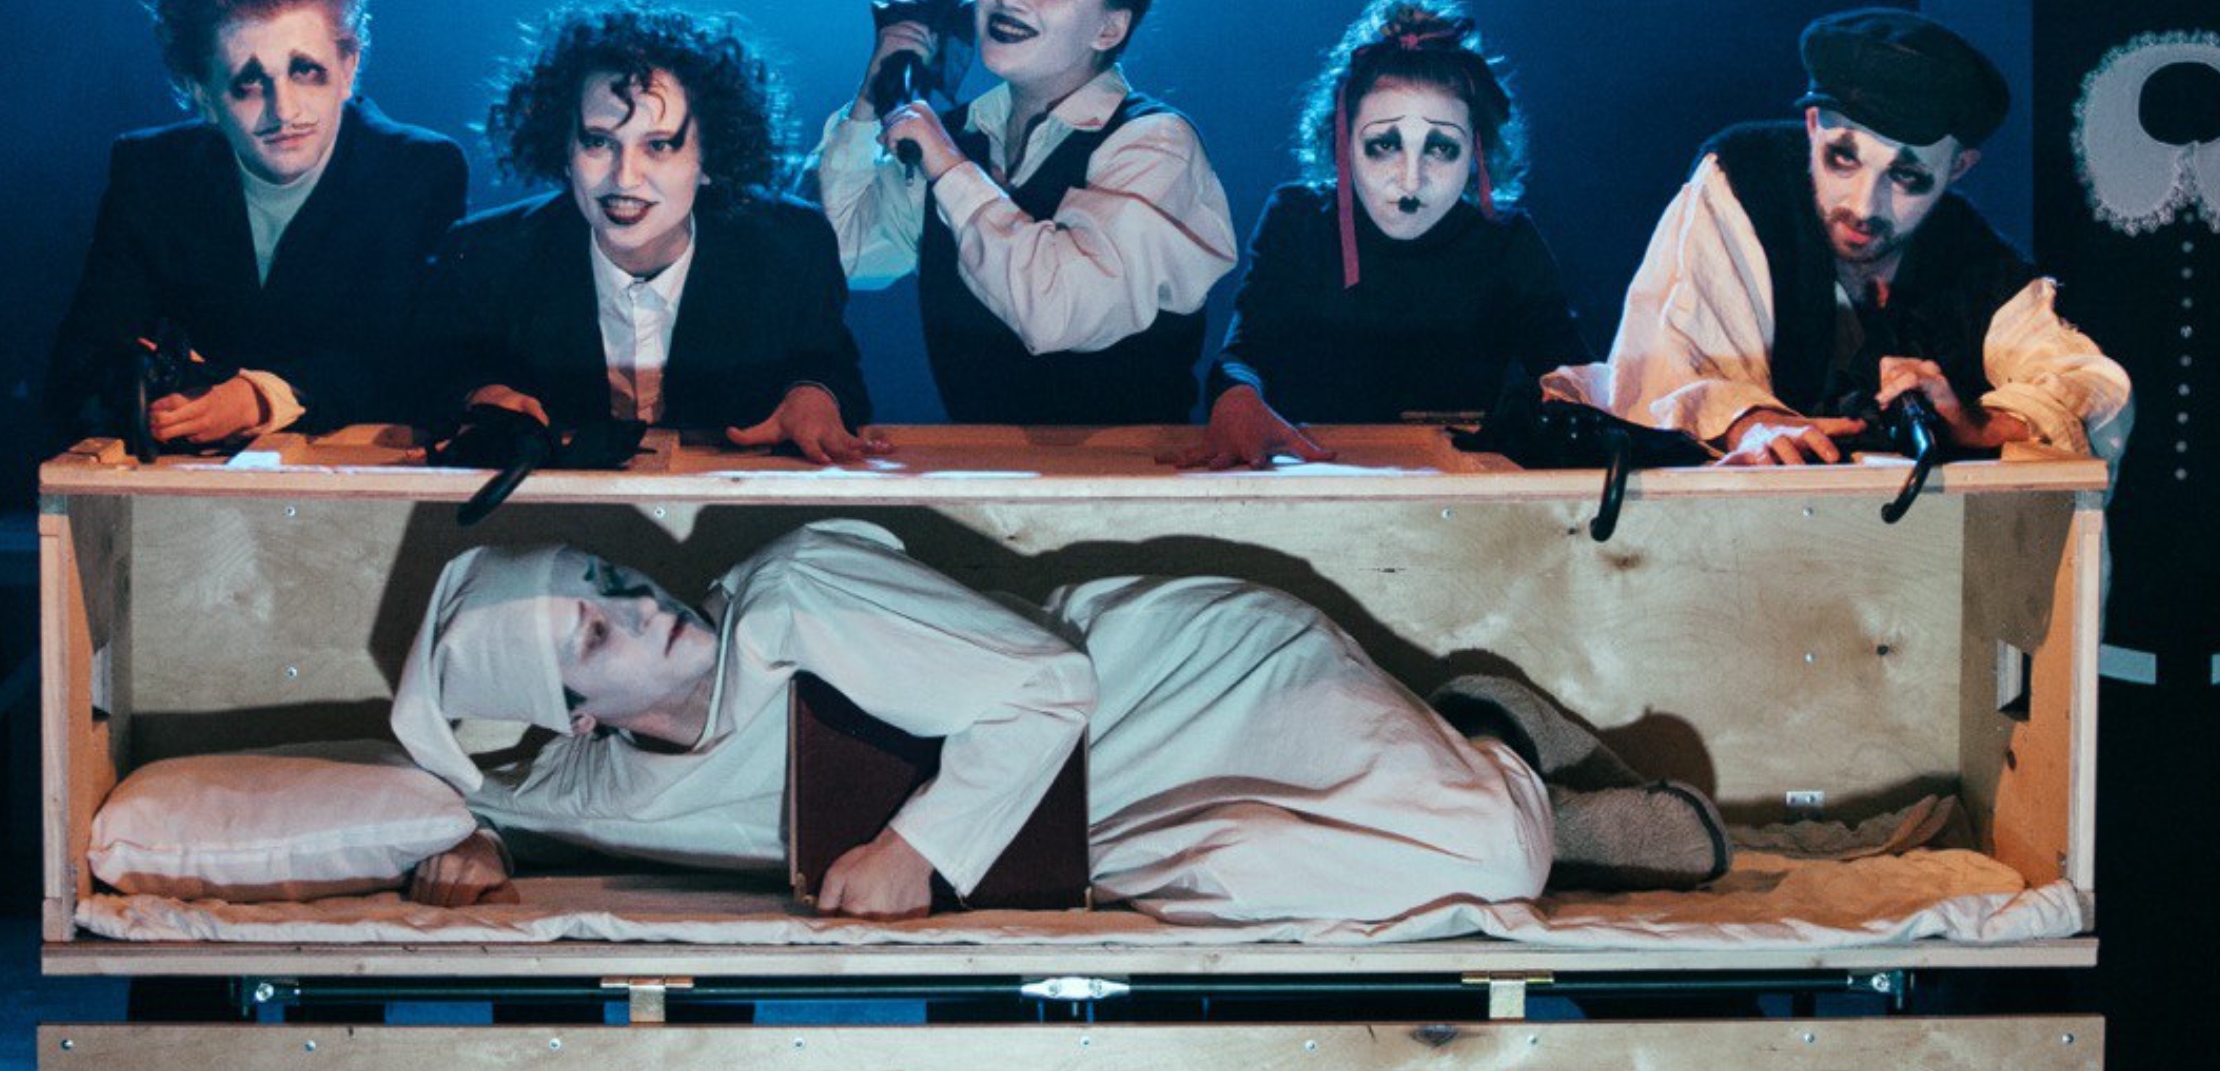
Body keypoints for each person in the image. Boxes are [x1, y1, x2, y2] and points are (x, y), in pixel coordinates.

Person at [390, 521, 1564, 923]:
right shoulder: (601, 781)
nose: (643, 606)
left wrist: (915, 848)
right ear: (579, 720)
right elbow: (491, 793)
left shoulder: (795, 595)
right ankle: (1470, 759)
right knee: (1240, 877)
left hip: (1196, 687)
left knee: (1500, 854)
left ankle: (1499, 737)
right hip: (1098, 828)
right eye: (596, 636)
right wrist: (483, 837)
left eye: (612, 580)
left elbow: (1048, 682)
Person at [811, 0, 1237, 424]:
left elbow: (1056, 311)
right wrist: (871, 100)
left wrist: (950, 170)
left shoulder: (1155, 145)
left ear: (1108, 28)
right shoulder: (958, 137)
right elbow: (844, 258)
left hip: (1128, 481)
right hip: (980, 474)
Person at [1545, 7, 2131, 464]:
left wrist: (1977, 424)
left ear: (1958, 168)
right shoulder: (1746, 181)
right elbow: (1666, 361)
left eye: (1906, 177)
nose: (1863, 206)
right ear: (1811, 126)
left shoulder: (1972, 255)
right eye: (1842, 159)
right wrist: (1750, 423)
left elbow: (2096, 386)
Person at [46, 0, 467, 446]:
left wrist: (260, 397)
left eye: (306, 71)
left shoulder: (418, 172)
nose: (283, 110)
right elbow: (78, 374)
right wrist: (149, 392)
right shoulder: (150, 174)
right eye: (249, 84)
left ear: (349, 67)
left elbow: (413, 365)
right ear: (201, 93)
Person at [414, 0, 876, 463]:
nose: (625, 177)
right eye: (599, 142)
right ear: (564, 150)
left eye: (658, 146)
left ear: (709, 159)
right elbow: (437, 376)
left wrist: (813, 395)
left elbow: (829, 366)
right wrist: (481, 397)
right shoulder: (488, 254)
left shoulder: (790, 246)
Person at [1178, 0, 1590, 468]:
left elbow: (1573, 377)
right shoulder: (1298, 221)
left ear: (1476, 154)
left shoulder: (1507, 241)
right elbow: (1244, 352)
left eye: (1440, 148)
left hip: (1460, 485)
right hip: (1314, 478)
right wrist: (1237, 398)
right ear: (1343, 144)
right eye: (1384, 145)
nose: (1410, 180)